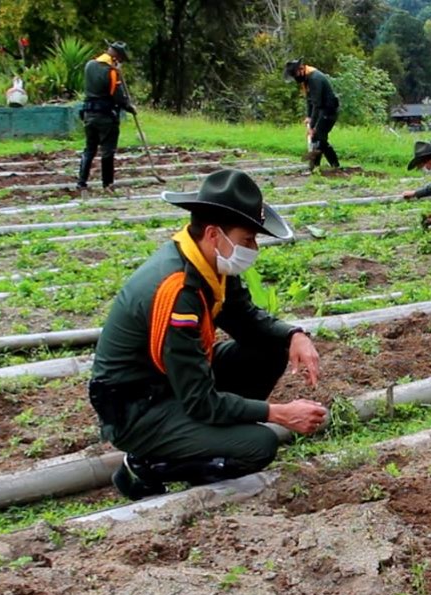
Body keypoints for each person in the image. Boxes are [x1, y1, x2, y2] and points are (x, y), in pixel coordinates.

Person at [89, 169, 329, 500]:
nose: (253, 248)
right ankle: (147, 464)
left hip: (171, 383)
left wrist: (293, 335)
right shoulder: (178, 293)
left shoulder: (207, 262)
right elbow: (200, 400)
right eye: (248, 240)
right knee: (258, 445)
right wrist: (279, 413)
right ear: (215, 234)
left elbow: (244, 318)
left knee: (270, 347)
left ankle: (207, 435)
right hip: (139, 408)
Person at [77, 41, 137, 193]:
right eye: (121, 58)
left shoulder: (89, 65)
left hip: (89, 114)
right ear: (116, 56)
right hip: (105, 117)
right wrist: (130, 108)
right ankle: (107, 184)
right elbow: (118, 97)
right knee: (107, 150)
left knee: (89, 149)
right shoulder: (111, 72)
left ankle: (81, 182)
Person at [283, 59, 340, 170]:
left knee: (318, 137)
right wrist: (309, 117)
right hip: (321, 110)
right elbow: (309, 100)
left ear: (301, 69)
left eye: (295, 75)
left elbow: (317, 104)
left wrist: (313, 126)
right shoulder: (307, 79)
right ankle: (326, 165)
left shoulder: (315, 79)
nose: (295, 78)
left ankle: (318, 166)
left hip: (328, 111)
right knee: (319, 138)